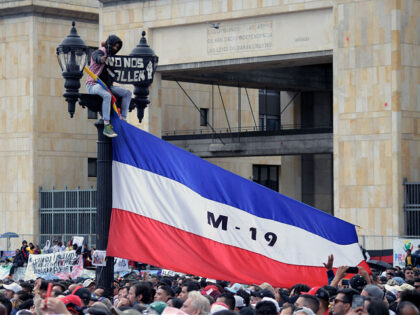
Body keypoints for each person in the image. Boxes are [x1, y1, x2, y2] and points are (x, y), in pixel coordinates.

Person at [86, 34, 132, 138]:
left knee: (127, 94)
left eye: (117, 47)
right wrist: (102, 59)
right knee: (107, 96)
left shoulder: (113, 58)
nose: (115, 49)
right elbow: (96, 57)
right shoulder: (100, 51)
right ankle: (107, 125)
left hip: (107, 86)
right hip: (93, 84)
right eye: (114, 46)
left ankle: (123, 120)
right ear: (109, 44)